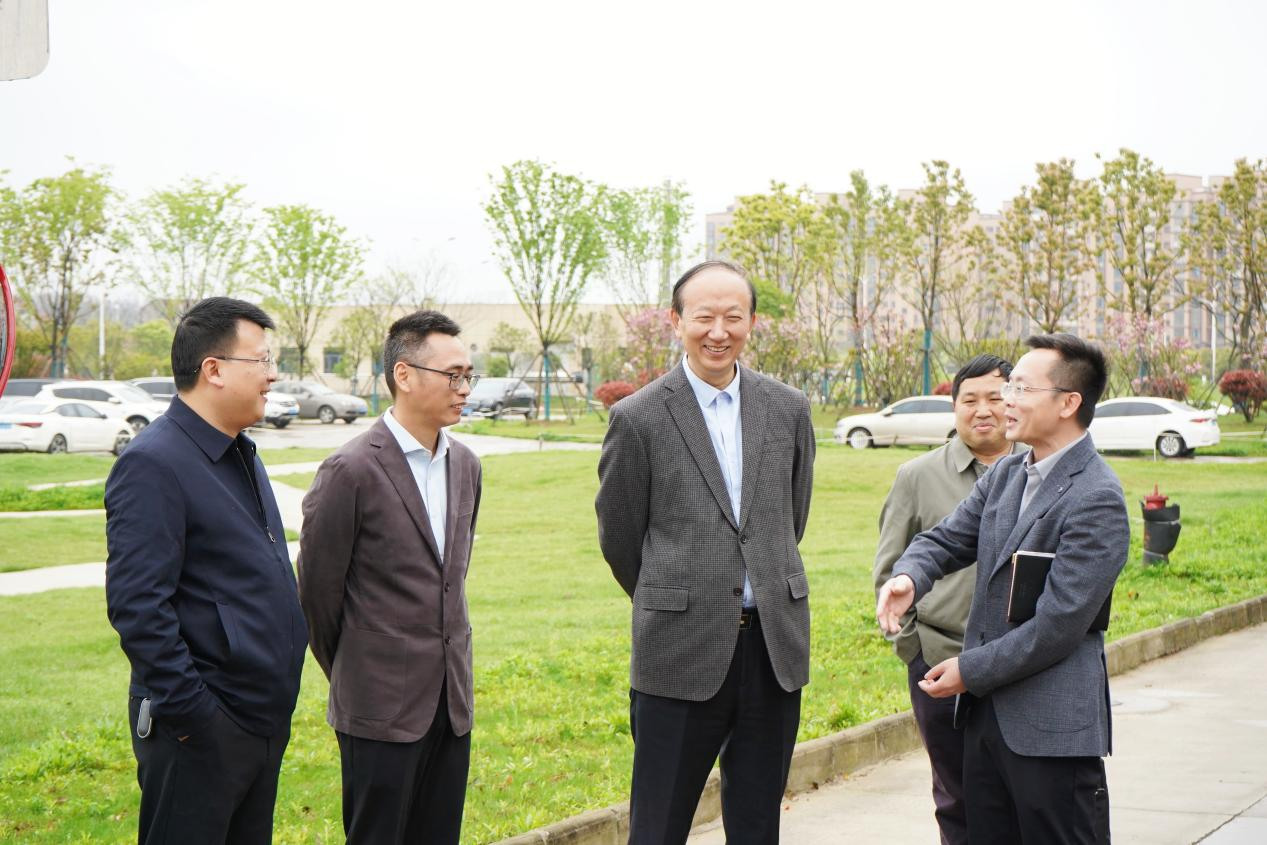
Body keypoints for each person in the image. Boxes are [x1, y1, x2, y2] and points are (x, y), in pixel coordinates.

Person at [595, 260, 816, 845]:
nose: (719, 332)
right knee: (659, 824)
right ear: (676, 321)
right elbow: (620, 537)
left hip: (772, 650)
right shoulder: (638, 417)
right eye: (704, 317)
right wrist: (673, 596)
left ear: (752, 322)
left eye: (733, 317)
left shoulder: (788, 408)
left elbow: (791, 518)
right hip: (678, 650)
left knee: (757, 823)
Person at [877, 333, 1128, 845]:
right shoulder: (1009, 474)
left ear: (1068, 403)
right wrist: (909, 577)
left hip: (1050, 733)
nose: (1005, 401)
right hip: (987, 723)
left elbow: (1056, 628)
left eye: (1020, 389)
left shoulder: (1096, 497)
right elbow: (946, 539)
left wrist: (968, 671)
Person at [105, 297, 307, 845]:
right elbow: (137, 607)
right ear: (213, 369)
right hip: (202, 730)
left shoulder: (240, 451)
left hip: (259, 720)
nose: (272, 375)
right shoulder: (154, 462)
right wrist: (196, 717)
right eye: (261, 360)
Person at [298, 310, 482, 845]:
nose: (464, 388)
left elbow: (450, 581)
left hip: (451, 704)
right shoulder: (351, 470)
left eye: (468, 375)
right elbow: (317, 596)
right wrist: (361, 670)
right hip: (378, 708)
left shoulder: (466, 465)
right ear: (404, 375)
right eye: (452, 375)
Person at [873, 353, 1023, 845]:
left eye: (995, 397)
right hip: (940, 662)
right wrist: (914, 651)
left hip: (1023, 662)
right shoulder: (917, 476)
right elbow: (892, 566)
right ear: (954, 407)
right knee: (957, 797)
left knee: (1024, 799)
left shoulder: (1040, 469)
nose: (983, 410)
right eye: (969, 400)